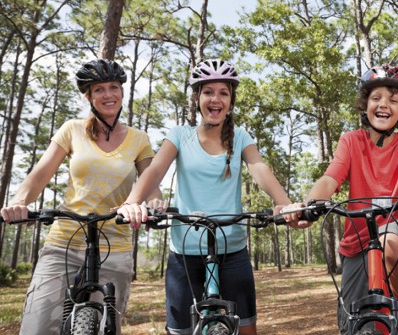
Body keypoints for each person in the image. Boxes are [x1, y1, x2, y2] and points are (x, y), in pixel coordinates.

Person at [283, 64, 398, 335]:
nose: (384, 105)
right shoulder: (351, 141)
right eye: (376, 98)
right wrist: (308, 205)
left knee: (388, 241)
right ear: (365, 105)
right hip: (354, 243)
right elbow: (329, 179)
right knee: (354, 325)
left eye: (393, 100)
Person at [117, 59, 291, 335]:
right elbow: (156, 170)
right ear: (197, 98)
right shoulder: (180, 135)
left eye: (224, 92)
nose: (216, 98)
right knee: (180, 331)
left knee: (247, 328)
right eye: (208, 91)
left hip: (232, 249)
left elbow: (259, 169)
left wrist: (284, 203)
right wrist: (132, 202)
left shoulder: (241, 137)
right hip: (186, 251)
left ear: (231, 100)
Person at [0, 58, 161, 335]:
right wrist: (19, 201)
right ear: (88, 96)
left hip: (116, 246)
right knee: (36, 328)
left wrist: (151, 208)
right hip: (64, 242)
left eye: (113, 87)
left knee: (105, 328)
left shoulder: (139, 138)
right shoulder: (72, 129)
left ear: (122, 92)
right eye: (99, 89)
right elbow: (41, 173)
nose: (108, 95)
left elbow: (152, 185)